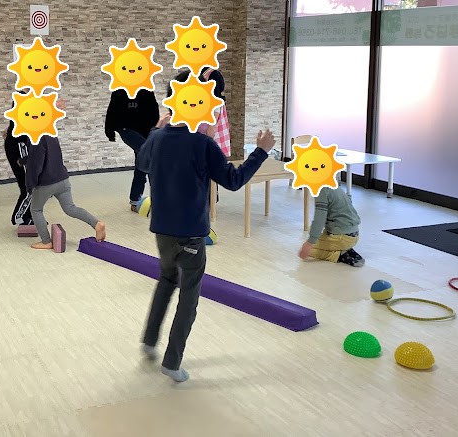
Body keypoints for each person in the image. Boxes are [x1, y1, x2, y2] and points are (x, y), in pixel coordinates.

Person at [136, 95, 276, 382]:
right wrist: (261, 152)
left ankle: (150, 341)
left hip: (162, 231)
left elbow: (143, 163)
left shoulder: (158, 137)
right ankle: (172, 362)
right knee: (189, 294)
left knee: (167, 279)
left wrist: (156, 129)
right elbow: (233, 181)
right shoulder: (202, 144)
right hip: (190, 235)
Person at [24, 134, 106, 250]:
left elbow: (35, 164)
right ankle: (97, 224)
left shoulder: (34, 137)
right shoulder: (51, 133)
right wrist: (23, 160)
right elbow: (47, 155)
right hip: (62, 179)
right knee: (70, 208)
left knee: (36, 209)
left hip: (46, 183)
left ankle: (46, 242)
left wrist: (29, 186)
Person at [104, 88, 159, 211]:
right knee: (151, 158)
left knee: (142, 163)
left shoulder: (147, 89)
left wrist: (155, 130)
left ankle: (135, 200)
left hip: (145, 131)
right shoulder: (119, 90)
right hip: (126, 129)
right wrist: (109, 131)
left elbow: (154, 110)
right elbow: (112, 110)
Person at [298, 185, 363, 267]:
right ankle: (345, 249)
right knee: (312, 230)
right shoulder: (333, 185)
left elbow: (319, 219)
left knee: (309, 250)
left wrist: (309, 243)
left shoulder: (321, 191)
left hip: (342, 238)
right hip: (353, 235)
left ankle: (339, 255)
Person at [4, 91, 33, 226]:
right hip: (18, 147)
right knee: (28, 187)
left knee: (31, 185)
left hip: (18, 145)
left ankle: (29, 214)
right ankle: (19, 217)